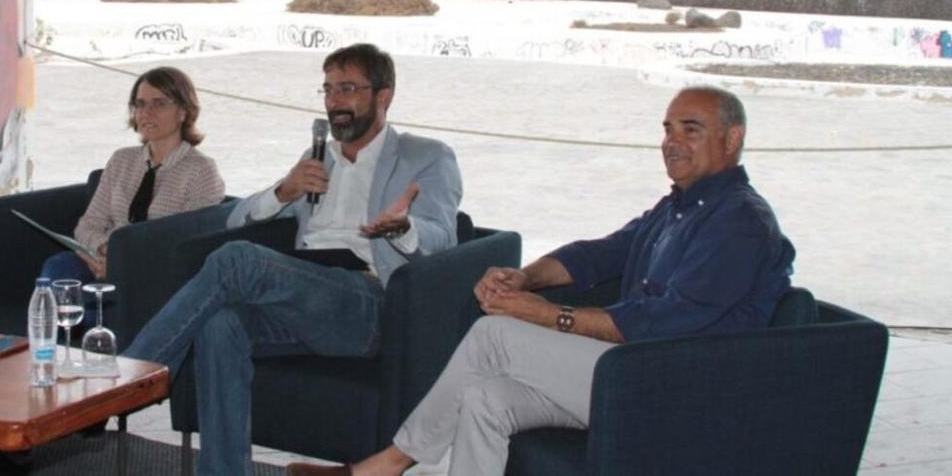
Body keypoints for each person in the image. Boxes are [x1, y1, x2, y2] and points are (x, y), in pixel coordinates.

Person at [287, 86, 796, 476]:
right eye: (668, 129)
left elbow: (670, 321)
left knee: (495, 335)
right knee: (486, 397)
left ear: (732, 140)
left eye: (691, 130)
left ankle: (386, 466)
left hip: (680, 388)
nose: (672, 143)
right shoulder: (679, 207)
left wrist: (549, 315)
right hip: (632, 372)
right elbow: (597, 256)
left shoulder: (739, 221)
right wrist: (524, 278)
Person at [124, 43, 463, 475]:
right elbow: (238, 217)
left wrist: (404, 228)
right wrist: (285, 191)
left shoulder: (427, 156)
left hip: (368, 302)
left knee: (238, 261)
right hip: (303, 296)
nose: (334, 102)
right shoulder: (317, 156)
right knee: (220, 324)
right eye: (327, 90)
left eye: (347, 89)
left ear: (384, 96)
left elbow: (443, 237)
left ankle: (127, 379)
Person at [39, 67, 225, 289]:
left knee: (103, 294)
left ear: (183, 112)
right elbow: (88, 225)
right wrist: (104, 250)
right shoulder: (122, 160)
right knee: (59, 270)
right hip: (106, 260)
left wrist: (124, 263)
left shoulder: (201, 170)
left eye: (159, 103)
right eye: (140, 104)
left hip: (155, 270)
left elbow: (187, 244)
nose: (147, 113)